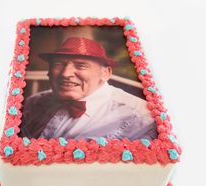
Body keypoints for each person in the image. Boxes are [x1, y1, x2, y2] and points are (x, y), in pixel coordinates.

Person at [20, 37, 158, 141]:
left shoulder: (141, 117)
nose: (65, 74)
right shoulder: (33, 102)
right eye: (58, 64)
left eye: (81, 65)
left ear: (106, 73)